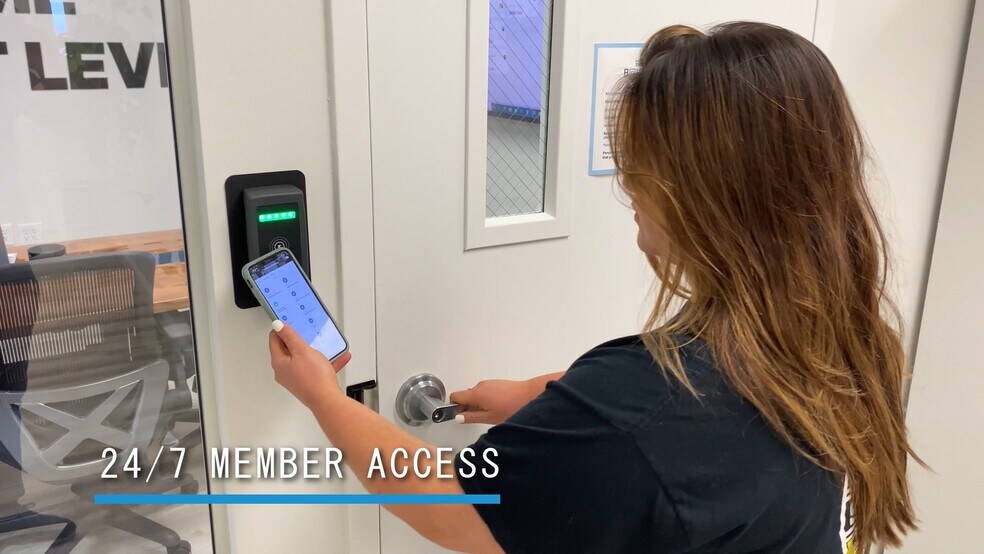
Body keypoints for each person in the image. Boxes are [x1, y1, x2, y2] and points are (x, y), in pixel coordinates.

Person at [267, 21, 919, 553]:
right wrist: (543, 398)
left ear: (703, 193)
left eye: (639, 164)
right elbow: (696, 433)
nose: (627, 186)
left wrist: (324, 397)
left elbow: (448, 502)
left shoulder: (645, 408)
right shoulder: (848, 345)